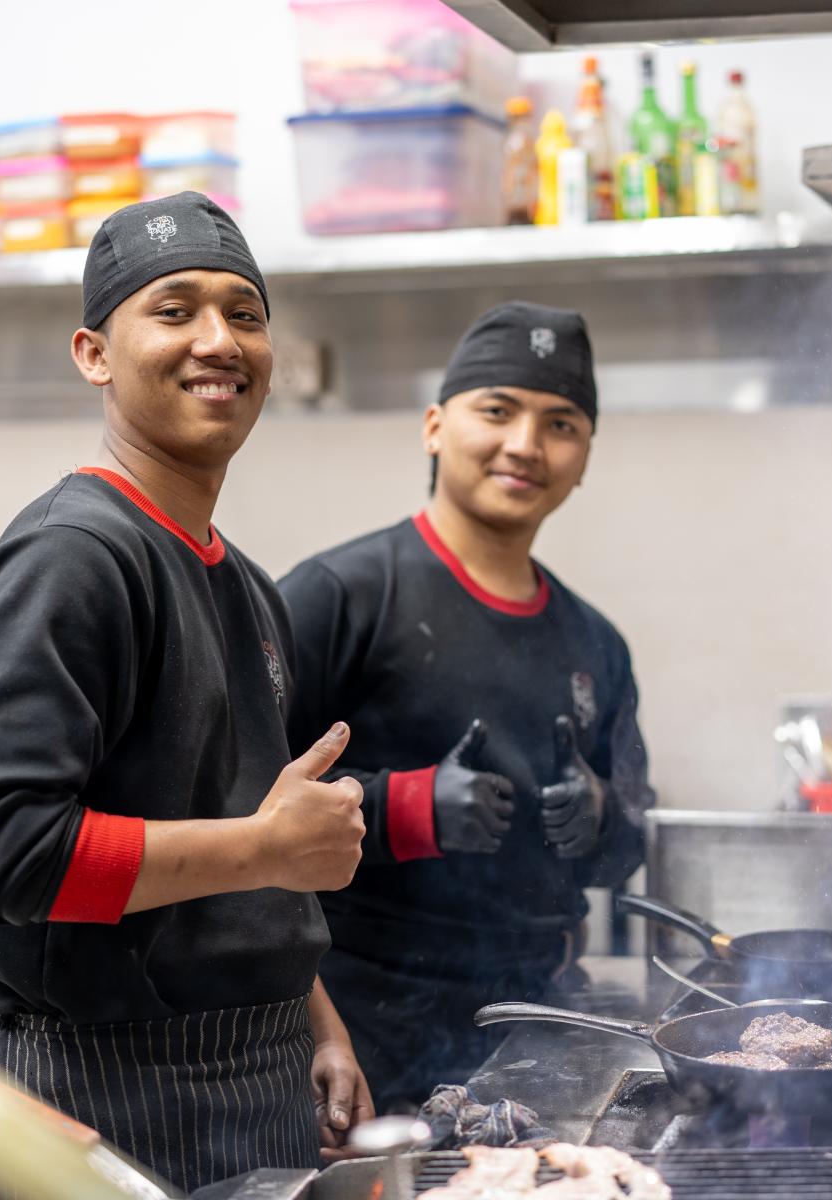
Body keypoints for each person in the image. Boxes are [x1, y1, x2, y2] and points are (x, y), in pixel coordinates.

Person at [0, 192, 373, 1192]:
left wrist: (316, 1022)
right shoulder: (71, 560)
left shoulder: (247, 586)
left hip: (259, 1084)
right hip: (106, 1101)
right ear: (94, 353)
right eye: (174, 311)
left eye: (244, 314)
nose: (219, 339)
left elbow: (243, 837)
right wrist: (266, 848)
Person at [279, 301, 655, 1113]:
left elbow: (628, 840)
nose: (526, 444)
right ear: (433, 427)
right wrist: (403, 807)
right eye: (497, 411)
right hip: (365, 1033)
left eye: (560, 424)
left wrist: (602, 816)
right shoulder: (338, 596)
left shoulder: (596, 642)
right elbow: (234, 805)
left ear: (584, 458)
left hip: (540, 1028)